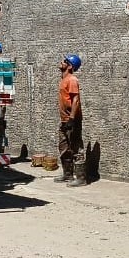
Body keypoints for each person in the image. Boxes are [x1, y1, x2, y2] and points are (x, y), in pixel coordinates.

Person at [55, 53, 84, 185]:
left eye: (65, 61)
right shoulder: (63, 79)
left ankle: (81, 178)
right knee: (64, 147)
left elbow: (75, 100)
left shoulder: (72, 80)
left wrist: (72, 119)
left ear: (70, 66)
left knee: (76, 148)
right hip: (64, 120)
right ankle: (68, 175)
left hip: (72, 120)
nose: (62, 62)